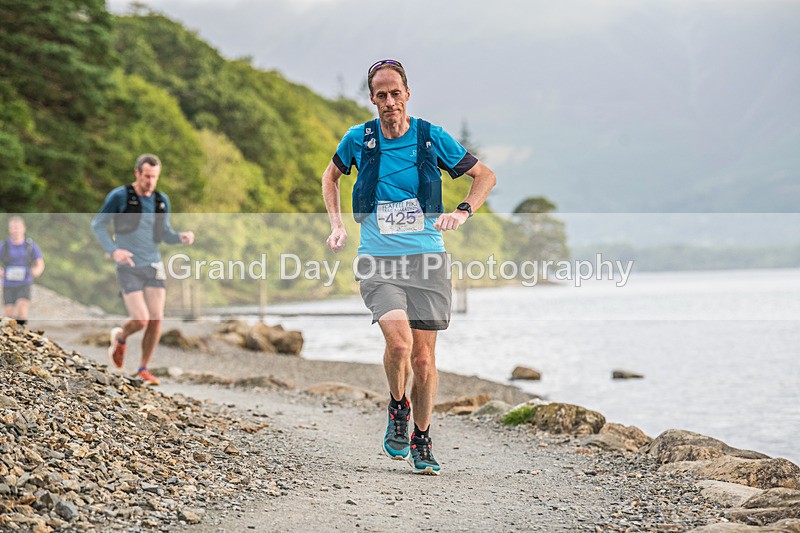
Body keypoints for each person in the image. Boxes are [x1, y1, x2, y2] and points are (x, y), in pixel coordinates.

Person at [321, 59, 496, 475]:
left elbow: (484, 175)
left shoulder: (430, 137)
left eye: (395, 93)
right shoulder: (358, 139)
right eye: (380, 95)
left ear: (407, 94)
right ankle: (397, 406)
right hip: (379, 259)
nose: (388, 102)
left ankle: (421, 436)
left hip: (427, 259)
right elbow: (331, 178)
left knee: (424, 360)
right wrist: (337, 225)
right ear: (372, 99)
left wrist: (463, 211)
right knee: (398, 345)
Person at [91, 154, 195, 385]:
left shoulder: (161, 200)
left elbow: (165, 234)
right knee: (141, 320)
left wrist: (180, 237)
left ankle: (143, 369)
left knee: (157, 319)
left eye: (155, 177)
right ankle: (121, 336)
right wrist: (114, 249)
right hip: (128, 265)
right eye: (147, 176)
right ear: (137, 173)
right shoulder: (120, 196)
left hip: (153, 264)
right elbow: (98, 224)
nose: (150, 182)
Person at [0, 216, 45, 327]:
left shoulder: (30, 246)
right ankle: (10, 336)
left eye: (18, 227)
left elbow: (40, 263)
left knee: (22, 306)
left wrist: (36, 271)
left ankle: (22, 331)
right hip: (8, 283)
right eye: (13, 227)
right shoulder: (4, 246)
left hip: (24, 282)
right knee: (9, 313)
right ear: (9, 229)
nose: (15, 230)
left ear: (24, 228)